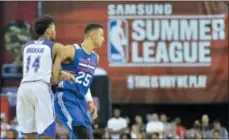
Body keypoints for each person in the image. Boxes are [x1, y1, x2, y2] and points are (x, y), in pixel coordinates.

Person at [16, 15, 74, 139]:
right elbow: (53, 79)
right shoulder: (56, 47)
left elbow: (36, 68)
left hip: (24, 88)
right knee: (47, 133)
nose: (55, 32)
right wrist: (63, 76)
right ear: (48, 30)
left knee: (29, 133)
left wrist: (61, 73)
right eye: (54, 29)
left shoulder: (25, 46)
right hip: (41, 88)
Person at [54, 23, 105, 139]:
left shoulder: (95, 58)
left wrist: (90, 102)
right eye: (101, 35)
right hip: (66, 96)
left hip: (80, 101)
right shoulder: (71, 50)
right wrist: (61, 73)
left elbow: (85, 83)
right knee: (83, 134)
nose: (104, 39)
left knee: (83, 135)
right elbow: (49, 61)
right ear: (93, 34)